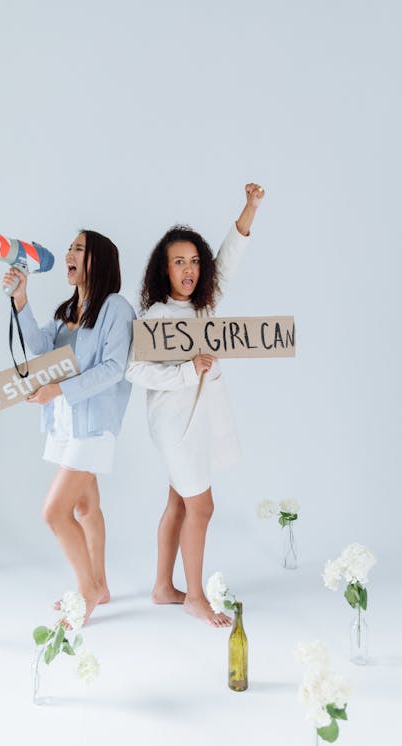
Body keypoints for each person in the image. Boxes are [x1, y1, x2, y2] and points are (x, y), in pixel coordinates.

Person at [126, 184, 264, 627]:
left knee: (180, 504)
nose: (189, 269)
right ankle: (194, 597)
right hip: (174, 426)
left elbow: (229, 259)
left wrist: (250, 208)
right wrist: (188, 370)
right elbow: (134, 370)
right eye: (178, 261)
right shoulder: (154, 319)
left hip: (198, 421)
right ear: (163, 270)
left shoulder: (203, 308)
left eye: (194, 261)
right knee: (202, 507)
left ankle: (164, 587)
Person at [3, 230, 135, 625]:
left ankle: (88, 591)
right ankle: (102, 584)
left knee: (53, 512)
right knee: (85, 507)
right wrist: (20, 298)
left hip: (93, 427)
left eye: (79, 249)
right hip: (64, 424)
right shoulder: (67, 311)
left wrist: (58, 388)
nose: (68, 255)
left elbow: (114, 369)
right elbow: (41, 347)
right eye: (70, 249)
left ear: (100, 260)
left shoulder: (116, 308)